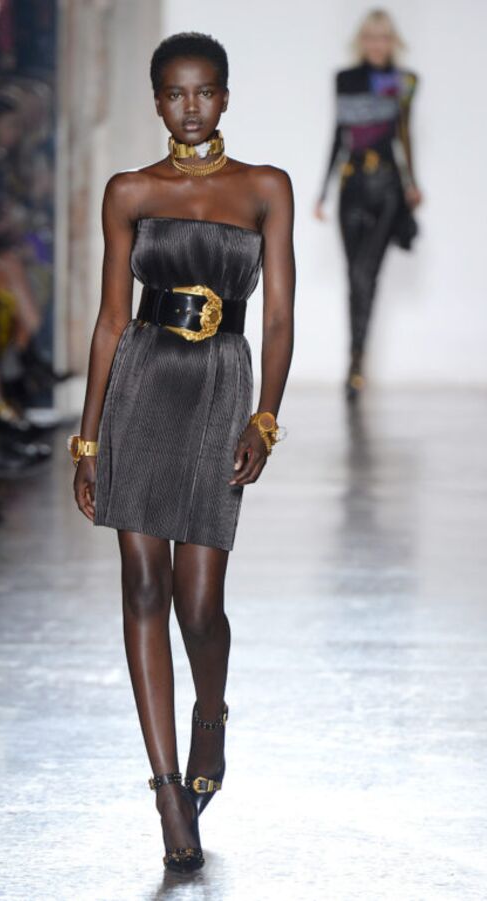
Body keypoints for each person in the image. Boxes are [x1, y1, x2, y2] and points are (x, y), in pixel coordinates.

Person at [72, 33, 295, 873]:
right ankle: (168, 790)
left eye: (203, 91)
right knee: (143, 584)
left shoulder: (265, 187)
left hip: (218, 388)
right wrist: (88, 440)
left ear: (225, 97)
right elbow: (109, 321)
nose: (190, 106)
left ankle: (210, 713)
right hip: (141, 383)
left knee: (199, 605)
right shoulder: (130, 191)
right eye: (174, 93)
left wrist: (264, 418)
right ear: (157, 101)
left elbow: (278, 317)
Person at [314, 9, 422, 401]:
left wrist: (412, 184)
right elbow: (339, 135)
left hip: (389, 187)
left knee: (366, 274)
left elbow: (404, 135)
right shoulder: (345, 79)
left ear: (393, 42)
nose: (377, 44)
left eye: (384, 37)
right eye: (371, 37)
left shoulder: (405, 81)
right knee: (355, 276)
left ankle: (356, 363)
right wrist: (323, 191)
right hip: (352, 185)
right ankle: (356, 359)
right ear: (362, 41)